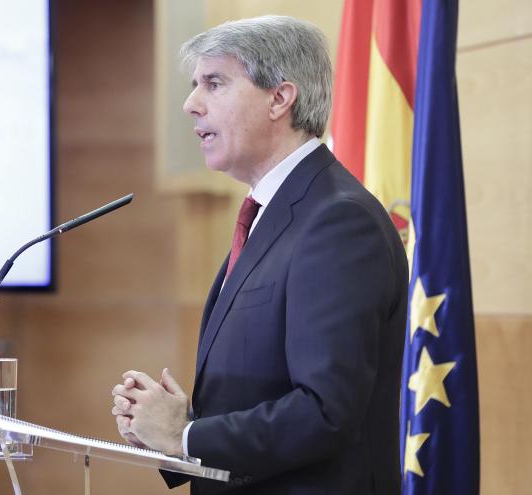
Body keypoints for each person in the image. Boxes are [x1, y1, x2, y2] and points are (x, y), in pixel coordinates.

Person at [111, 16, 407, 494]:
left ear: (279, 98)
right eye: (194, 85)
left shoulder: (338, 220)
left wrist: (185, 435)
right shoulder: (273, 213)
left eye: (214, 83)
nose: (190, 104)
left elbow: (325, 413)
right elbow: (267, 393)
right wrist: (173, 431)